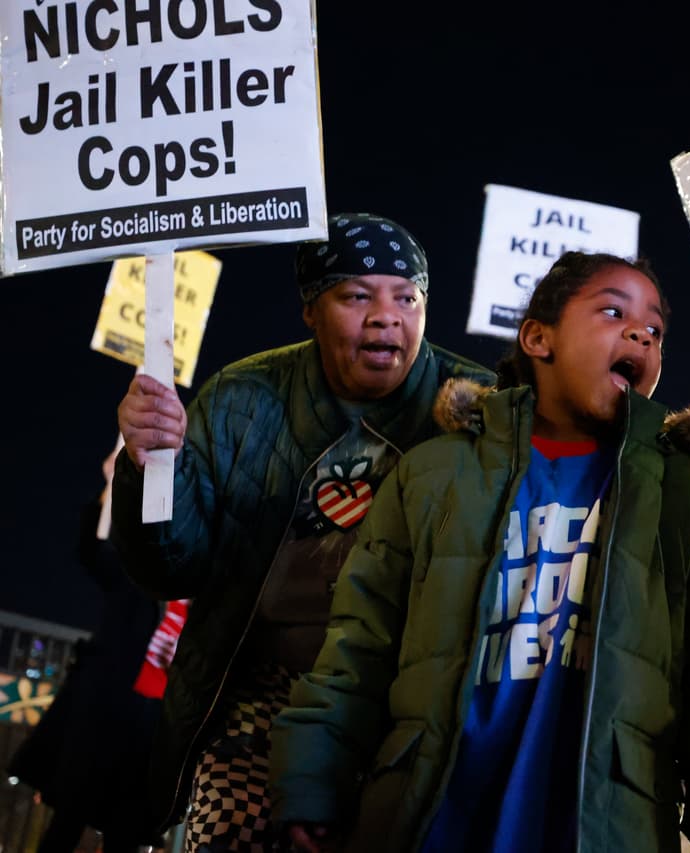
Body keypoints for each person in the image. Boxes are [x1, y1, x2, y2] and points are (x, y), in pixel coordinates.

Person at [269, 251, 690, 853]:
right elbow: (358, 645)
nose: (641, 332)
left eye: (655, 330)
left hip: (606, 828)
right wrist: (313, 780)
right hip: (427, 820)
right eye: (613, 311)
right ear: (539, 338)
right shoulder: (433, 475)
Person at [110, 212, 495, 849]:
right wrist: (147, 467)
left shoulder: (480, 407)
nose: (385, 316)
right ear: (311, 310)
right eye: (355, 296)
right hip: (258, 687)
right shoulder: (241, 397)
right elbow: (169, 568)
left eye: (407, 298)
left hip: (411, 700)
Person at [7, 447, 169, 853]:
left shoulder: (207, 600)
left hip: (155, 728)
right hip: (107, 712)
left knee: (127, 831)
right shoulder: (141, 578)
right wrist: (112, 483)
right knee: (69, 818)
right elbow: (94, 550)